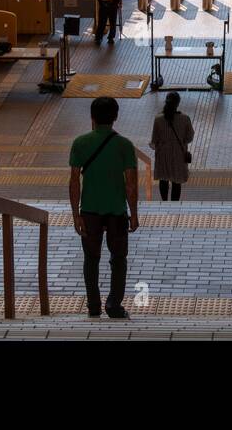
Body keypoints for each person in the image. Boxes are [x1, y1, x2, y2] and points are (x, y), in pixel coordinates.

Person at [68, 96, 139, 319]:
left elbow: (73, 181)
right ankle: (114, 305)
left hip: (89, 211)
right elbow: (130, 184)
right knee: (118, 259)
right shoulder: (125, 145)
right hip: (117, 212)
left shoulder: (80, 143)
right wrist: (134, 214)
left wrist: (75, 214)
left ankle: (93, 306)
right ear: (116, 117)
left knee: (91, 259)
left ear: (92, 117)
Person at [149, 91, 194, 201]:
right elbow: (189, 137)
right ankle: (174, 205)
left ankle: (164, 202)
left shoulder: (158, 119)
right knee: (176, 181)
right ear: (178, 103)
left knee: (163, 179)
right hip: (178, 154)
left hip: (163, 155)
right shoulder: (185, 118)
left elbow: (154, 140)